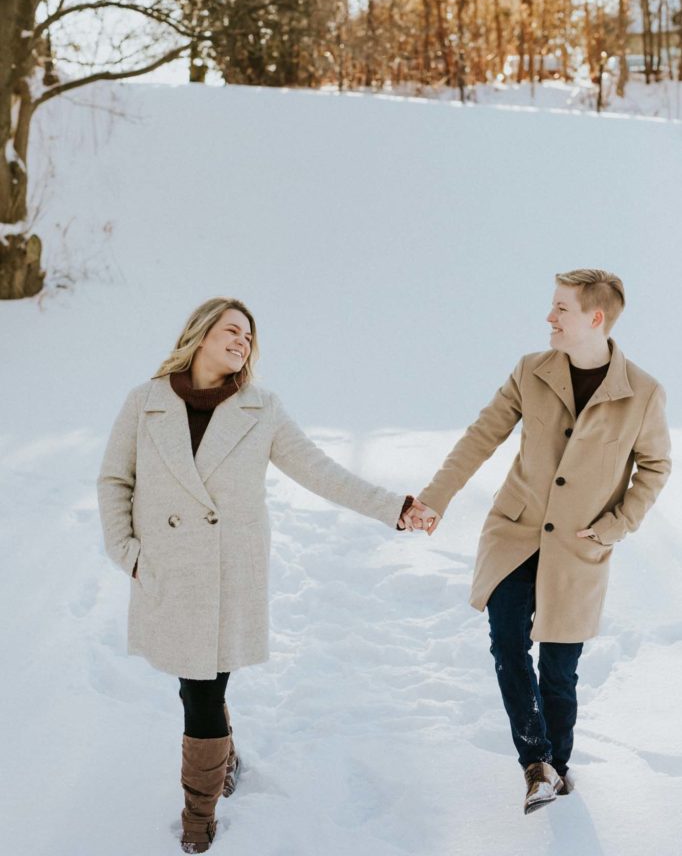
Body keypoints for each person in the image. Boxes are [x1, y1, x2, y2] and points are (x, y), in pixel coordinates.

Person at [97, 297, 426, 853]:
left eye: (249, 337)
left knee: (203, 690)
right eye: (232, 331)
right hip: (168, 572)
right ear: (200, 335)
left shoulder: (261, 409)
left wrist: (394, 506)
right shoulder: (145, 402)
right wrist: (126, 552)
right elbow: (114, 479)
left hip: (228, 574)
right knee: (193, 683)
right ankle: (221, 756)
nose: (242, 342)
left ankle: (198, 815)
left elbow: (319, 470)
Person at [407, 269, 671, 814]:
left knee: (558, 666)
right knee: (507, 642)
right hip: (516, 534)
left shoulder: (642, 393)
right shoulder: (531, 371)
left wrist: (616, 525)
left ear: (594, 319)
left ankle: (560, 769)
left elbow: (656, 466)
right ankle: (535, 762)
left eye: (561, 309)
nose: (549, 318)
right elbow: (481, 436)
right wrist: (435, 498)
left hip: (579, 547)